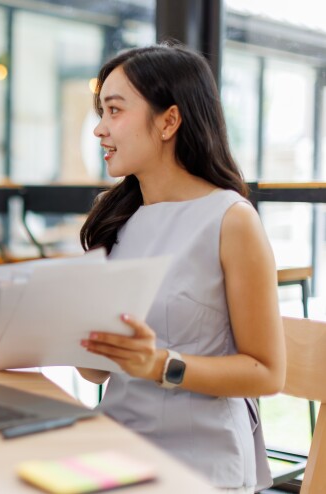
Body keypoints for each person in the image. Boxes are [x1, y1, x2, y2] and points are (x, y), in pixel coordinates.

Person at [77, 44, 285, 493]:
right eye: (101, 112)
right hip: (114, 446)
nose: (99, 129)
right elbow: (95, 372)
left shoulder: (232, 219)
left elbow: (266, 372)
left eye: (114, 111)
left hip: (201, 461)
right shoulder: (114, 217)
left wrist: (160, 365)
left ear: (169, 121)